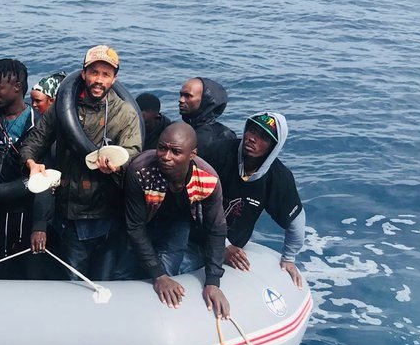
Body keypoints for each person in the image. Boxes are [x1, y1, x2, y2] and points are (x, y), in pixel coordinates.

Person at [20, 46, 142, 282]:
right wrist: (31, 163)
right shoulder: (63, 106)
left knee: (104, 280)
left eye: (106, 75)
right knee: (73, 278)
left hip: (106, 212)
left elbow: (134, 155)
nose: (99, 80)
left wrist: (117, 165)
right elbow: (34, 141)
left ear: (114, 79)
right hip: (67, 211)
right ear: (84, 73)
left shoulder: (125, 114)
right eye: (94, 72)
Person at [123, 122, 230, 317]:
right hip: (144, 219)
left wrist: (213, 282)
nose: (166, 156)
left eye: (176, 152)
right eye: (162, 148)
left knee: (167, 273)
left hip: (177, 223)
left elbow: (216, 229)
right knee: (121, 273)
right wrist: (157, 274)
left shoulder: (208, 179)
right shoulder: (140, 169)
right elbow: (135, 226)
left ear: (192, 154)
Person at [0, 58, 51, 280]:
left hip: (22, 204)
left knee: (21, 260)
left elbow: (44, 174)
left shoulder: (36, 122)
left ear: (17, 87)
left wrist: (40, 225)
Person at [203, 112, 306, 289]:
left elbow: (296, 221)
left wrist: (289, 258)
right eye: (252, 130)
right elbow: (193, 204)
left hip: (233, 246)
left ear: (274, 145)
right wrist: (223, 245)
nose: (252, 138)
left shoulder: (278, 177)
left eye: (263, 137)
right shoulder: (218, 153)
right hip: (196, 237)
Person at [179, 77, 236, 152]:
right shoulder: (184, 130)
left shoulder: (223, 136)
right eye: (181, 95)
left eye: (188, 96)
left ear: (205, 100)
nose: (181, 100)